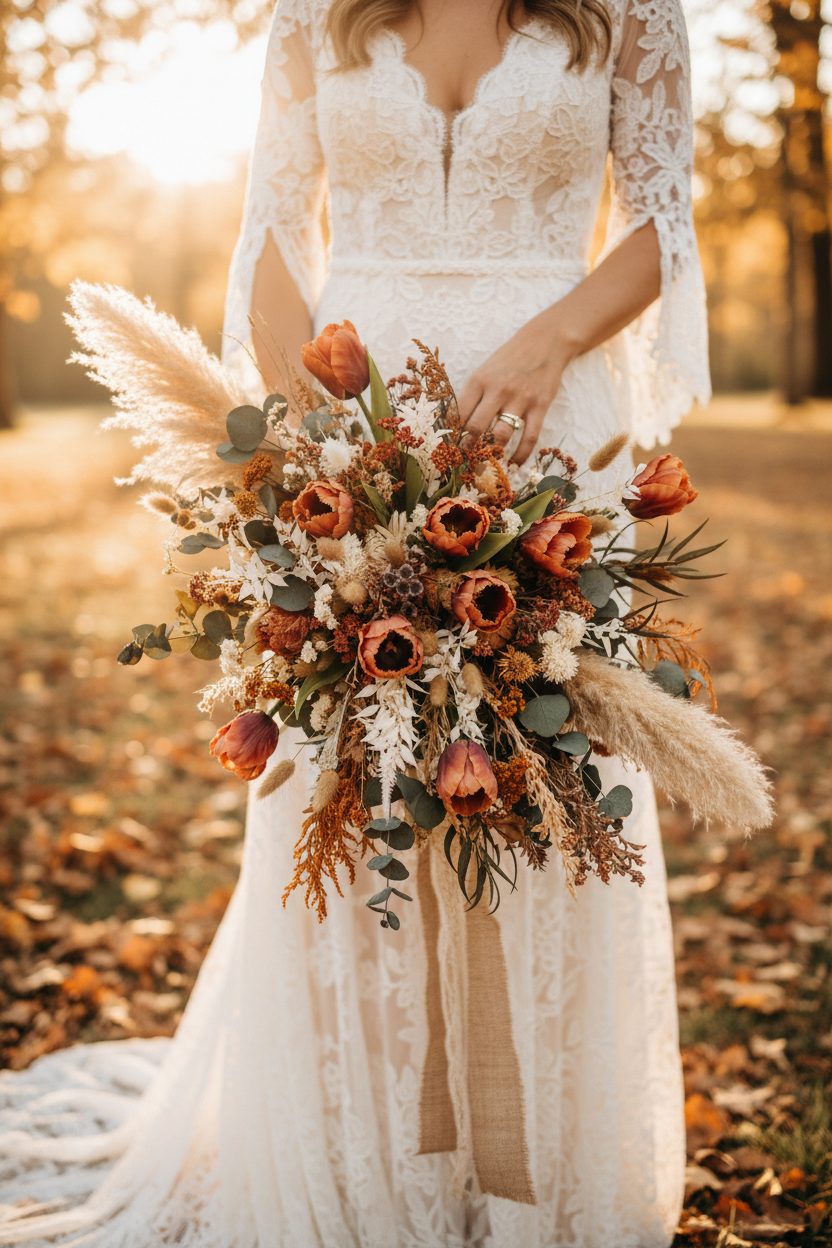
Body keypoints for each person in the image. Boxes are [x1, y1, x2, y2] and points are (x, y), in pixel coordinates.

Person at [0, 0, 710, 1244]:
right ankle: (361, 1160)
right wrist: (306, 446)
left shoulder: (630, 12)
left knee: (551, 771)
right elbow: (274, 231)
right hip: (351, 402)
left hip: (550, 419)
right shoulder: (311, 18)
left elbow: (662, 223)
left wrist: (550, 340)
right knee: (348, 773)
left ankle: (534, 1166)